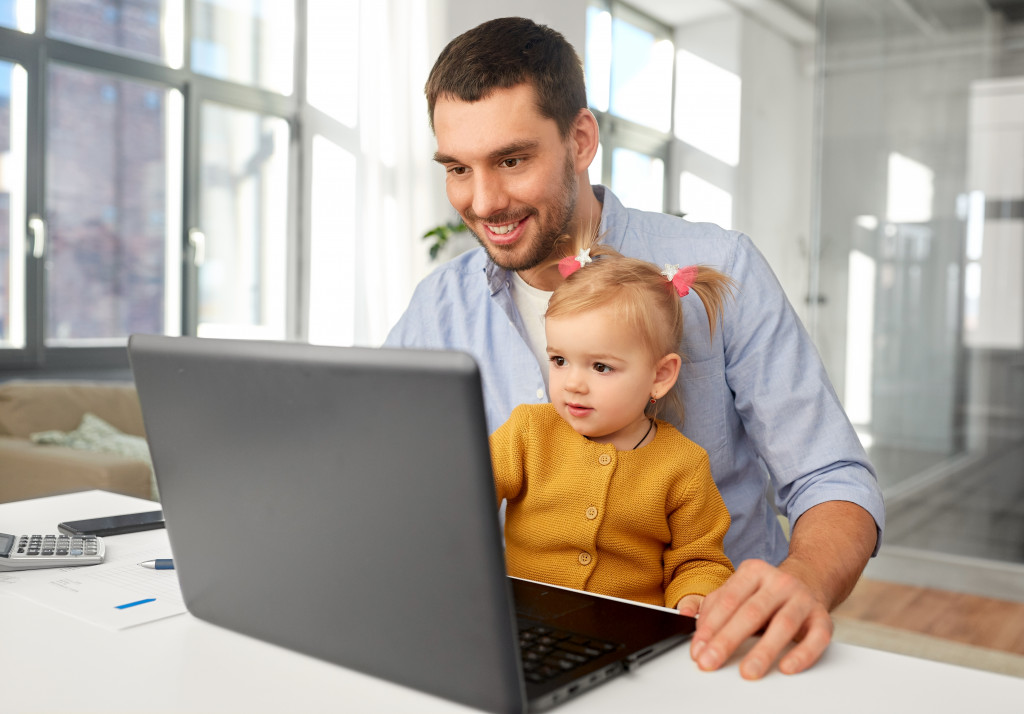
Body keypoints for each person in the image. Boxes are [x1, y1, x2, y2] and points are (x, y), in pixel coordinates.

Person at [385, 16, 885, 680]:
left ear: (581, 140)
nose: (484, 201)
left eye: (512, 160)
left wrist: (805, 578)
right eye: (457, 168)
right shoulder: (437, 308)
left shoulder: (717, 266)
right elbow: (393, 481)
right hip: (519, 644)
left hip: (708, 649)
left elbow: (831, 477)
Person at [491, 236, 735, 614]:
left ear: (660, 375)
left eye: (600, 366)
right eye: (559, 360)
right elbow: (467, 493)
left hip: (630, 634)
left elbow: (698, 560)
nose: (572, 383)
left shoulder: (683, 465)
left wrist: (695, 597)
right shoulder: (527, 433)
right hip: (524, 620)